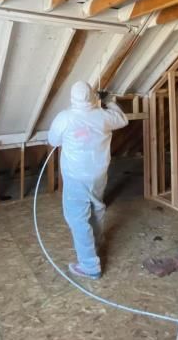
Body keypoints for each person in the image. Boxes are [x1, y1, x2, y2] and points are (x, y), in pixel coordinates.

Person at [48, 80, 128, 280]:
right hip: (98, 173)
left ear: (72, 98)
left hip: (76, 177)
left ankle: (89, 265)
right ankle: (97, 242)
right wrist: (109, 100)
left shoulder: (65, 118)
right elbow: (122, 119)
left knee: (78, 219)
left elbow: (53, 140)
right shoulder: (103, 116)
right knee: (97, 207)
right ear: (93, 96)